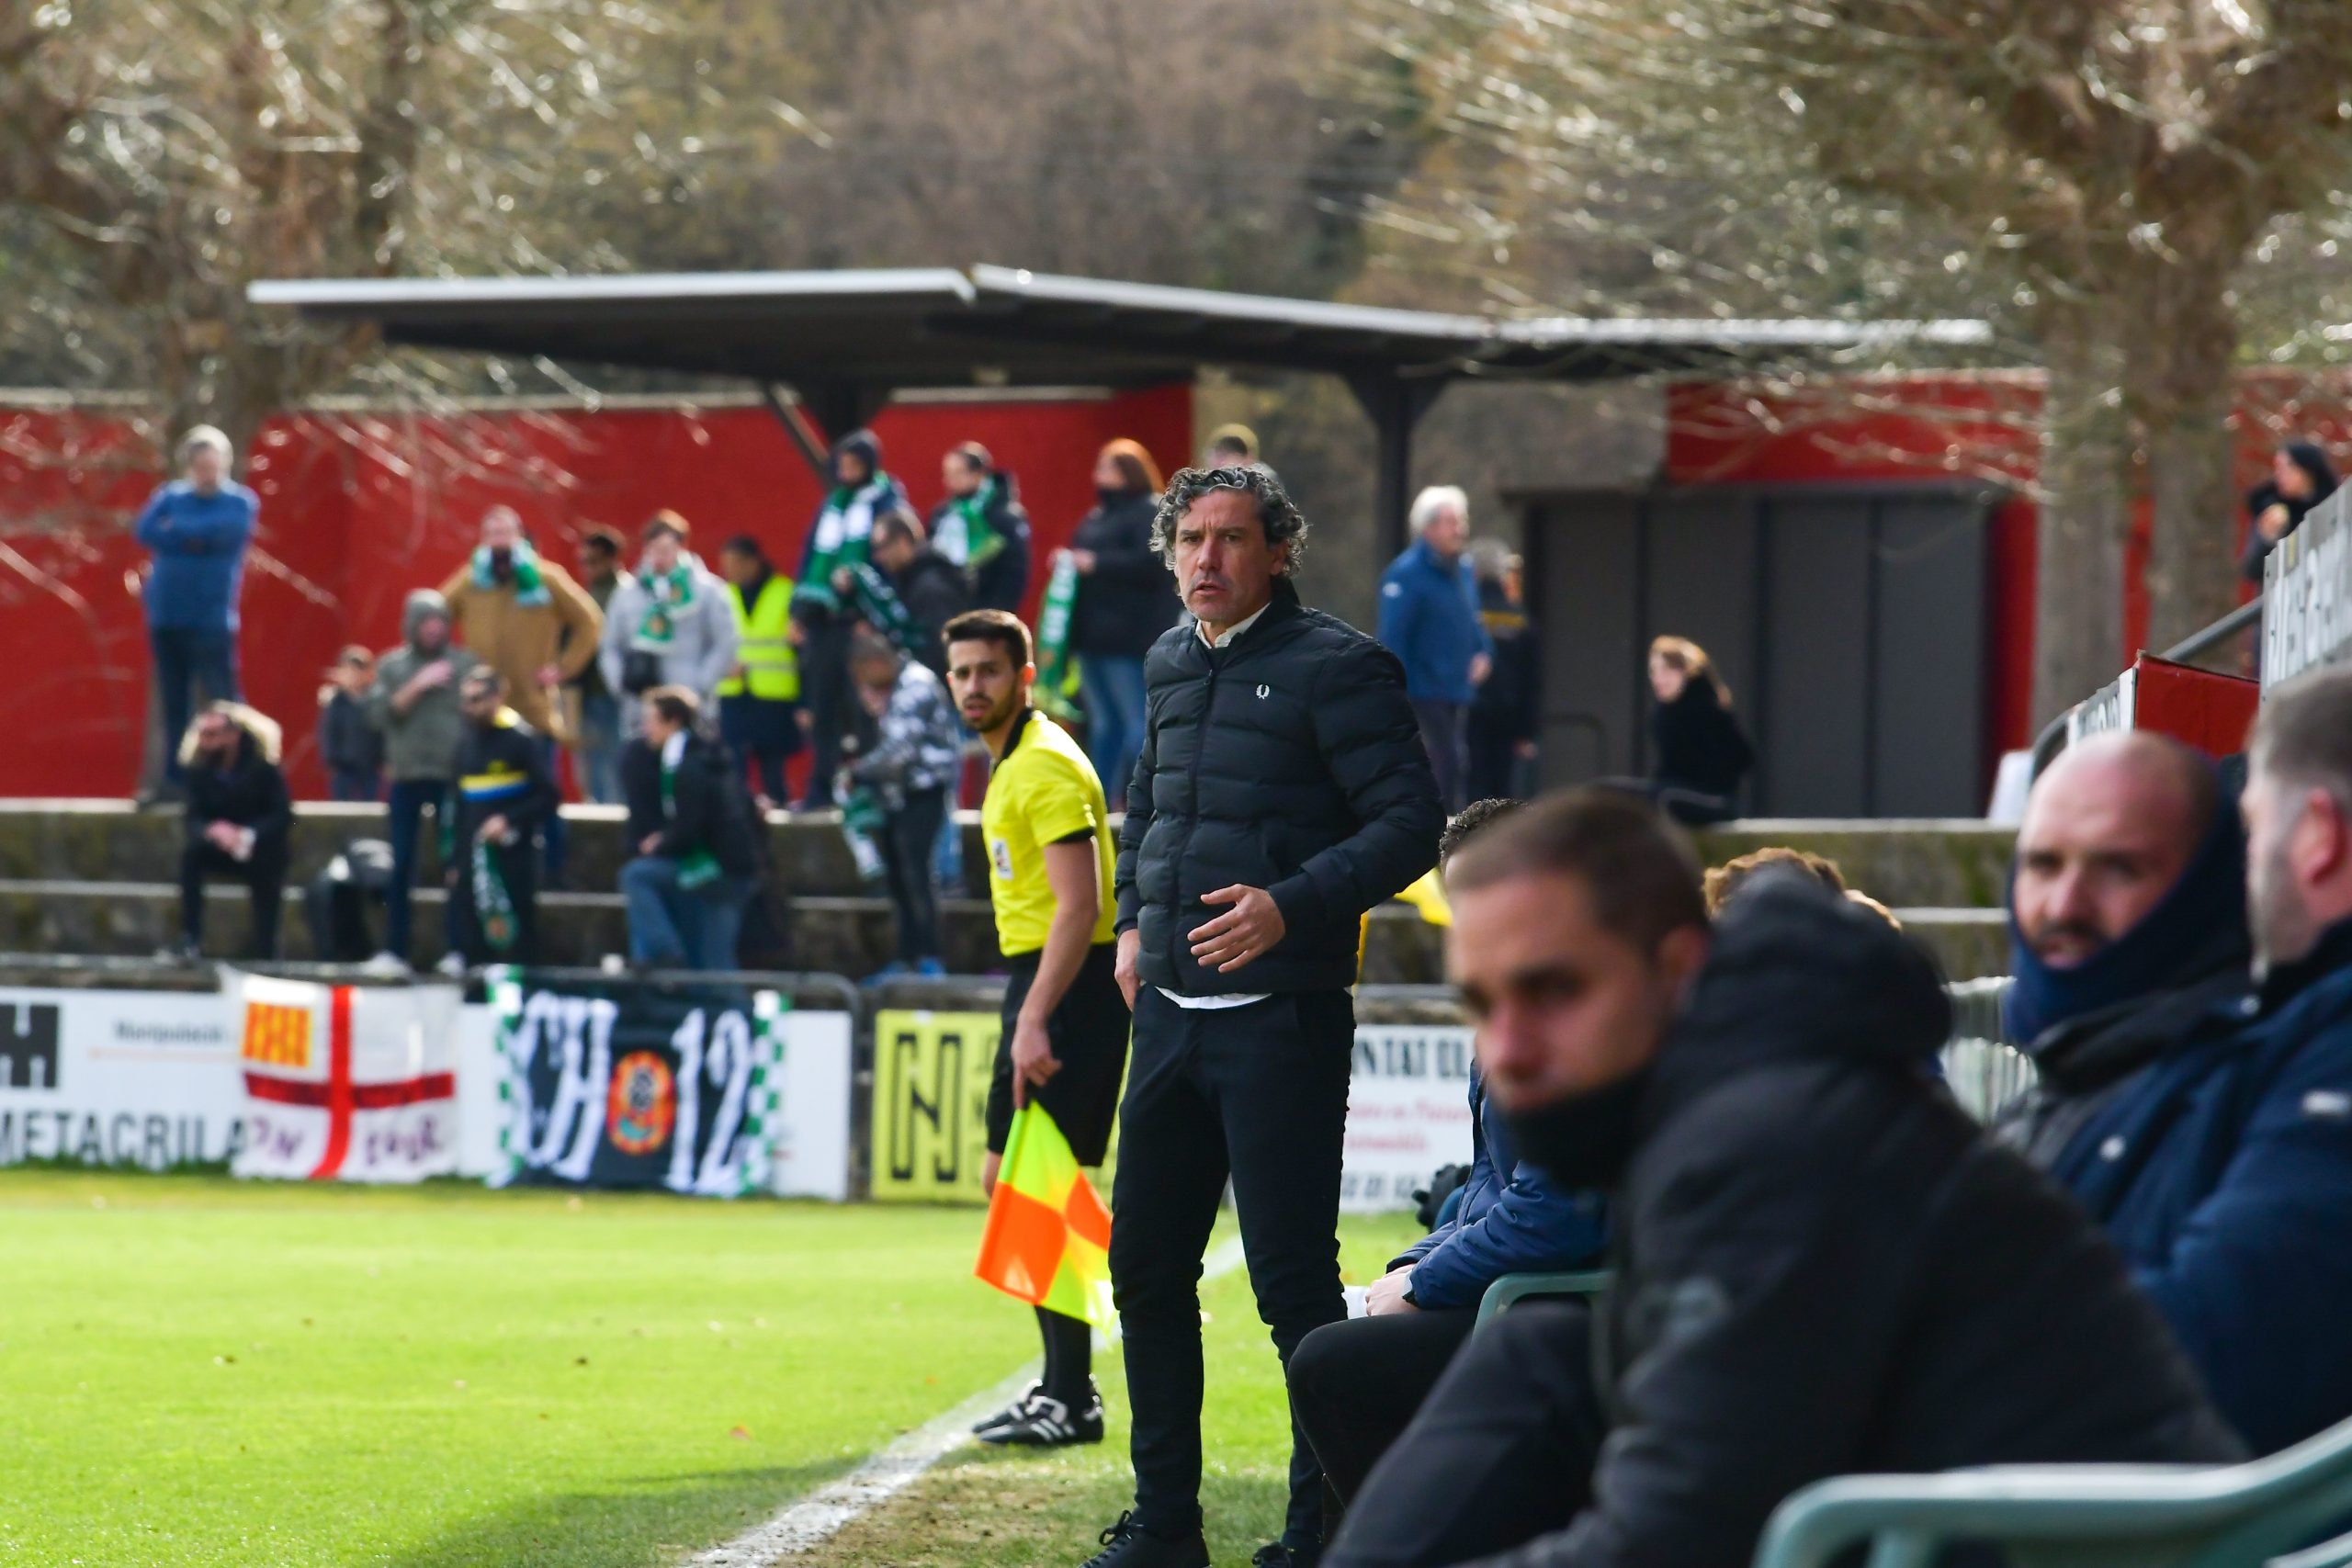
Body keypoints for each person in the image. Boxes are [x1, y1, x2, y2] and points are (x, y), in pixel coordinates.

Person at [1324, 792, 2245, 1568]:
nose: (1510, 1050)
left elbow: (1679, 1533)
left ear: (1675, 970)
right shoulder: (1750, 1090)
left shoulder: (1766, 1142)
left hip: (2033, 1537)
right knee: (1538, 1356)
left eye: (1555, 991)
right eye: (1482, 1005)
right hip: (1926, 1498)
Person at [1091, 465, 1443, 1568]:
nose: (1207, 559)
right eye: (1190, 539)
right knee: (1145, 1272)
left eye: (1232, 538)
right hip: (1168, 1018)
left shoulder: (1340, 666)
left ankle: (1314, 1537)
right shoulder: (1166, 659)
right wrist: (1131, 925)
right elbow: (1148, 803)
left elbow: (1410, 822)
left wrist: (1290, 904)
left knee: (1293, 1290)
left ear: (1278, 551)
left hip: (1280, 1021)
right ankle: (1165, 1528)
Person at [2012, 673, 2352, 1457]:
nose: (2064, 904)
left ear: (2317, 836)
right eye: (2042, 863)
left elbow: (2226, 1340)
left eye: (2251, 828)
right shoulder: (2271, 1035)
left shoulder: (2312, 1043)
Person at [1288, 798, 1607, 1524]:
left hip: (1573, 1306)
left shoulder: (1578, 1009)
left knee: (1330, 1365)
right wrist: (1411, 1266)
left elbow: (1557, 1216)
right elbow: (1488, 1185)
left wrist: (1425, 1283)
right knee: (1344, 1337)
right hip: (1534, 1290)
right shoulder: (1515, 1006)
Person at [944, 609, 1131, 1449]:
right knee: (1021, 1178)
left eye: (988, 670)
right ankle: (1066, 1387)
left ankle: (1071, 1392)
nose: (972, 686)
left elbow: (1079, 905)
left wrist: (1032, 1017)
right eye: (961, 672)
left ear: (1024, 676)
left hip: (1066, 986)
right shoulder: (1017, 759)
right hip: (1049, 981)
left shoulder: (1044, 764)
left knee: (1033, 1182)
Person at [1990, 732, 2251, 1171]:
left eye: (2118, 869)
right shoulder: (2047, 1098)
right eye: (2044, 865)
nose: (2065, 906)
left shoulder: (2242, 1102)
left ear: (2203, 888)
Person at [440, 505, 602, 888]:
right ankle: (476, 869)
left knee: (544, 791)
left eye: (505, 531)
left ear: (518, 536)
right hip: (484, 714)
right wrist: (456, 668)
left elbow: (590, 620)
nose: (498, 538)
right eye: (491, 531)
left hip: (533, 707)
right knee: (476, 796)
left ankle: (554, 874)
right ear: (483, 538)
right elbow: (433, 614)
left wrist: (563, 667)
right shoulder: (471, 580)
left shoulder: (545, 577)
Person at [363, 590, 481, 976]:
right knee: (401, 864)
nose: (434, 629)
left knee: (455, 865)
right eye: (426, 623)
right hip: (407, 777)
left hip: (451, 779)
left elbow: (482, 710)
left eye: (440, 622)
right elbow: (377, 715)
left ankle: (458, 950)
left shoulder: (464, 664)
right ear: (411, 625)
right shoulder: (392, 666)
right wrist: (418, 684)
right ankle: (395, 950)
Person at [135, 425, 256, 798]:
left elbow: (223, 533)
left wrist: (178, 533)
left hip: (211, 618)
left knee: (224, 701)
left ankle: (240, 778)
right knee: (174, 703)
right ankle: (175, 782)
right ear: (189, 467)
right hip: (166, 615)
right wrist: (195, 539)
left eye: (214, 465)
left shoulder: (239, 502)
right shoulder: (170, 495)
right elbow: (144, 530)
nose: (208, 473)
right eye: (201, 466)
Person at [792, 431, 908, 809]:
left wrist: (871, 613)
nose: (846, 472)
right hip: (825, 622)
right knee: (822, 708)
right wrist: (799, 612)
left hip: (862, 625)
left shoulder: (887, 504)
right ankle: (821, 789)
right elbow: (811, 557)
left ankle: (870, 790)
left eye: (854, 465)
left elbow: (890, 565)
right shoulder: (832, 505)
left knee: (865, 710)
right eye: (842, 465)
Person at [844, 632, 963, 980]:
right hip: (897, 793)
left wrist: (859, 772)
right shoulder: (891, 686)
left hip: (924, 790)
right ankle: (907, 955)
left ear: (877, 663)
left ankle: (931, 957)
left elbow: (900, 751)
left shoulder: (916, 685)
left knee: (917, 874)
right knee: (897, 875)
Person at [619, 686, 763, 972]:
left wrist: (660, 844)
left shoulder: (688, 766)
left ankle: (662, 954)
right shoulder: (705, 755)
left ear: (673, 722)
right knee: (711, 963)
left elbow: (691, 826)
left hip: (720, 870)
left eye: (651, 720)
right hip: (721, 867)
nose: (645, 729)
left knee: (636, 875)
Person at [1068, 439, 1178, 809]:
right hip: (1091, 638)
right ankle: (1101, 798)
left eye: (1107, 467)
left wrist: (1096, 563)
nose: (1097, 474)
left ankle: (1142, 798)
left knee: (1136, 722)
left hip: (1129, 638)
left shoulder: (1149, 510)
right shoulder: (1097, 515)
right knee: (1102, 724)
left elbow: (1152, 564)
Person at [1378, 486, 1493, 813]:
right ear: (1427, 527)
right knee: (1443, 762)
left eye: (1461, 521)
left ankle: (1448, 827)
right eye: (1451, 522)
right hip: (1422, 690)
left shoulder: (1463, 568)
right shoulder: (1406, 573)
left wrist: (1484, 652)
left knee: (1458, 763)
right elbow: (1393, 636)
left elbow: (1473, 619)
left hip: (1457, 687)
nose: (1460, 529)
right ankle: (1433, 830)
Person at [447, 668, 557, 968]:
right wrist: (455, 860)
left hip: (513, 853)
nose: (470, 707)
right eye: (466, 700)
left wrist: (509, 820)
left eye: (478, 699)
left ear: (497, 698)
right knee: (472, 928)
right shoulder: (464, 744)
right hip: (474, 856)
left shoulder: (521, 740)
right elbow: (457, 807)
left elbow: (548, 796)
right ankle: (476, 987)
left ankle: (523, 984)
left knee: (519, 926)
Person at [600, 512, 741, 741]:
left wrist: (703, 681)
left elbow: (726, 642)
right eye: (654, 549)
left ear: (682, 547)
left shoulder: (708, 591)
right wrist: (620, 685)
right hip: (641, 706)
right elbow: (610, 645)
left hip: (691, 703)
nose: (660, 556)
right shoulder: (628, 593)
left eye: (666, 549)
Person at [169, 702, 290, 962]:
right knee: (191, 857)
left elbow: (281, 815)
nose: (206, 742)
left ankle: (267, 950)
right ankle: (190, 940)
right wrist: (213, 830)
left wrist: (247, 834)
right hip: (219, 847)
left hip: (258, 848)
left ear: (233, 735)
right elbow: (192, 817)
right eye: (202, 734)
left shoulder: (263, 769)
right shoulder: (199, 773)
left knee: (270, 868)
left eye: (213, 734)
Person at [715, 535, 801, 810]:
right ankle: (736, 814)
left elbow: (800, 648)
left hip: (774, 692)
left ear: (753, 562)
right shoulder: (723, 595)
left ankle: (778, 809)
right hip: (733, 691)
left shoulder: (785, 593)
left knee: (772, 764)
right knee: (733, 763)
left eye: (736, 563)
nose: (730, 571)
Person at [1645, 635, 1751, 824]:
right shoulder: (1663, 714)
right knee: (1612, 793)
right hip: (1674, 791)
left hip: (1715, 800)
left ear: (1686, 672)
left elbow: (1744, 757)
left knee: (1664, 800)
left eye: (1666, 670)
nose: (1658, 678)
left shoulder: (1708, 709)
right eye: (1654, 671)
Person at [1465, 547, 1539, 802]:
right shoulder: (1520, 618)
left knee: (1472, 785)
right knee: (1502, 788)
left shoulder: (1468, 615)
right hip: (1508, 715)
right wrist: (1526, 731)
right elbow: (1530, 679)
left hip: (1471, 712)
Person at [569, 525, 632, 806]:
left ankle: (614, 823)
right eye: (583, 561)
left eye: (593, 561)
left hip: (614, 693)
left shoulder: (626, 594)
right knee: (591, 766)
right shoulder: (592, 593)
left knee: (613, 766)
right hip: (589, 692)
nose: (587, 568)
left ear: (611, 559)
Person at [930, 442, 1033, 614]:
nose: (949, 481)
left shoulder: (1004, 516)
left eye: (958, 473)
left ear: (979, 474)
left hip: (989, 608)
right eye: (947, 474)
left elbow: (1015, 572)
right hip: (948, 607)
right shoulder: (943, 515)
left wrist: (997, 614)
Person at [870, 509, 972, 680]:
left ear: (903, 541)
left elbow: (941, 651)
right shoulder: (911, 581)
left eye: (882, 547)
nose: (878, 557)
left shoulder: (930, 588)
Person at [2240, 439, 2340, 583]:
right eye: (2277, 468)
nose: (2278, 474)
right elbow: (2252, 570)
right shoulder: (2269, 506)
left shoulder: (2334, 506)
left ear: (2306, 470)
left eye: (2285, 468)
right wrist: (2267, 539)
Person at [317, 647, 384, 803]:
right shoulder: (336, 703)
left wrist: (383, 758)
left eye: (358, 671)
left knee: (370, 805)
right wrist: (330, 759)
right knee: (342, 805)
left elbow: (382, 730)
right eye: (349, 671)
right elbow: (329, 732)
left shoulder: (375, 701)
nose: (353, 676)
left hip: (370, 765)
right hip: (343, 766)